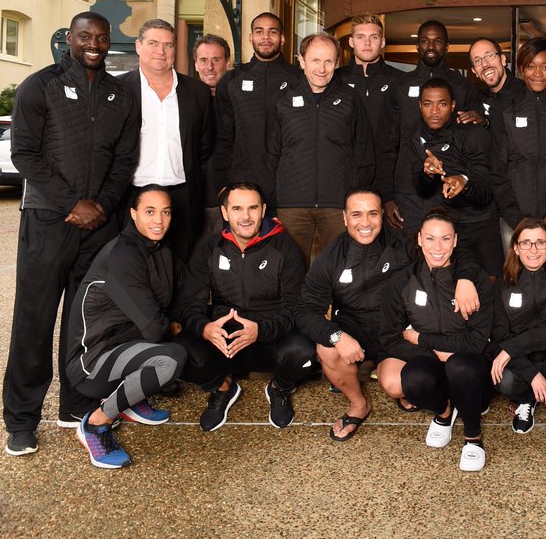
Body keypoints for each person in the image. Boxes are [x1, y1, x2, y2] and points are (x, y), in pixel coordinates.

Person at [4, 11, 140, 456]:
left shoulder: (120, 93)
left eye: (101, 38)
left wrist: (100, 206)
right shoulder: (38, 86)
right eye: (85, 37)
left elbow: (124, 159)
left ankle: (75, 404)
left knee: (85, 323)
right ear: (69, 38)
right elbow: (24, 153)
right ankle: (21, 420)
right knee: (34, 320)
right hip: (48, 221)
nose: (94, 44)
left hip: (97, 225)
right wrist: (72, 204)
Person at [64, 185, 187, 469]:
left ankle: (131, 399)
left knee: (188, 342)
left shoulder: (160, 249)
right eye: (150, 211)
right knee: (170, 359)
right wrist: (175, 326)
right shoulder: (122, 255)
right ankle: (96, 423)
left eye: (165, 212)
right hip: (92, 361)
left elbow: (182, 293)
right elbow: (156, 330)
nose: (159, 220)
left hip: (125, 344)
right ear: (133, 214)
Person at [174, 182, 313, 431]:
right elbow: (188, 305)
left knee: (306, 354)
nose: (246, 216)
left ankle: (279, 388)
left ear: (263, 210)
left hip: (270, 335)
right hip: (224, 338)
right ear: (225, 213)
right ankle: (222, 387)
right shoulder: (209, 247)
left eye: (252, 208)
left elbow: (296, 307)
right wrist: (206, 329)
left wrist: (261, 330)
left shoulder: (285, 247)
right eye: (237, 208)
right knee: (175, 354)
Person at [377, 209, 495, 472]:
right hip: (430, 358)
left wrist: (423, 339)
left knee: (460, 367)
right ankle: (444, 413)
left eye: (445, 239)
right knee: (415, 377)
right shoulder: (402, 281)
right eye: (430, 239)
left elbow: (476, 342)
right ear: (419, 239)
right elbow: (389, 336)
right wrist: (434, 353)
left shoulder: (474, 280)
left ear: (455, 240)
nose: (438, 247)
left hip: (469, 365)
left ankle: (473, 437)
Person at [295, 190, 413, 441]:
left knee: (397, 385)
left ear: (382, 215)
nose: (366, 223)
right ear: (345, 218)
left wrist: (465, 280)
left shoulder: (404, 245)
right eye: (357, 215)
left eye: (372, 214)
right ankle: (359, 404)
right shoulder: (330, 258)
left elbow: (445, 258)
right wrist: (336, 336)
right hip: (354, 326)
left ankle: (400, 385)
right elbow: (305, 310)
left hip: (396, 328)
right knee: (327, 347)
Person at [264, 32, 376, 263]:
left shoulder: (349, 99)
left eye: (328, 61)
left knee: (341, 270)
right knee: (290, 271)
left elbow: (363, 152)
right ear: (302, 61)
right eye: (315, 60)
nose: (322, 69)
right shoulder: (282, 100)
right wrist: (271, 201)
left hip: (338, 206)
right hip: (291, 206)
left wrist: (356, 198)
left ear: (336, 63)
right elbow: (270, 154)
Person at [122, 18, 215, 261]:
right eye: (153, 43)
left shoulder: (198, 93)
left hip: (182, 198)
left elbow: (204, 148)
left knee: (182, 268)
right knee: (133, 267)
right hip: (132, 195)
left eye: (168, 45)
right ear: (138, 46)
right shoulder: (119, 90)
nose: (161, 51)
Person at [491, 218, 546, 464]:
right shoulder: (503, 280)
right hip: (522, 365)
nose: (533, 249)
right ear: (515, 247)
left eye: (540, 242)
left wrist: (510, 350)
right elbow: (500, 334)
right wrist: (531, 375)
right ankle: (526, 398)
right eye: (526, 243)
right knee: (503, 380)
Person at [388, 20, 484, 232]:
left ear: (447, 47)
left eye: (437, 41)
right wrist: (387, 197)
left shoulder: (463, 86)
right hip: (408, 192)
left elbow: (477, 138)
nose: (431, 47)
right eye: (425, 41)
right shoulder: (401, 86)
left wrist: (483, 119)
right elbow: (389, 144)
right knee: (409, 256)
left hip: (448, 190)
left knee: (447, 256)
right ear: (417, 46)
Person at [489, 38, 546, 261]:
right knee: (515, 283)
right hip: (514, 219)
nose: (538, 73)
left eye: (545, 67)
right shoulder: (505, 110)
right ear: (521, 69)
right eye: (531, 66)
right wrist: (517, 221)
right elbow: (497, 172)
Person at [412, 78, 501, 275]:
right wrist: (427, 174)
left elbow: (486, 192)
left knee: (489, 285)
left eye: (442, 104)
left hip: (481, 224)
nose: (434, 111)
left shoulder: (473, 135)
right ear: (420, 105)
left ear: (452, 106)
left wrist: (464, 182)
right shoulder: (417, 135)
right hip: (448, 226)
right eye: (428, 104)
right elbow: (420, 189)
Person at [212, 12, 305, 192]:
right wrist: (222, 183)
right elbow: (222, 137)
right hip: (242, 183)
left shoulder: (300, 80)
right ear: (250, 37)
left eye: (272, 32)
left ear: (283, 38)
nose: (265, 37)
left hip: (289, 184)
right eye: (259, 31)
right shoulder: (232, 81)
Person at [333, 14, 404, 221]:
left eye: (373, 37)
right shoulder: (335, 80)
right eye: (361, 37)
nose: (367, 42)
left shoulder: (399, 80)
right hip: (345, 181)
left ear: (382, 42)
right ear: (351, 42)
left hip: (390, 181)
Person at [193, 34, 231, 238]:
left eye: (216, 60)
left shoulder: (239, 100)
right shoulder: (183, 99)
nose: (210, 67)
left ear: (227, 62)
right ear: (196, 64)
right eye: (204, 60)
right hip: (193, 198)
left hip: (228, 198)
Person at [469, 37, 524, 120]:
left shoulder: (526, 93)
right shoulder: (476, 101)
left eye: (489, 55)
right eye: (477, 61)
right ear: (474, 71)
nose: (484, 64)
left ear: (503, 60)